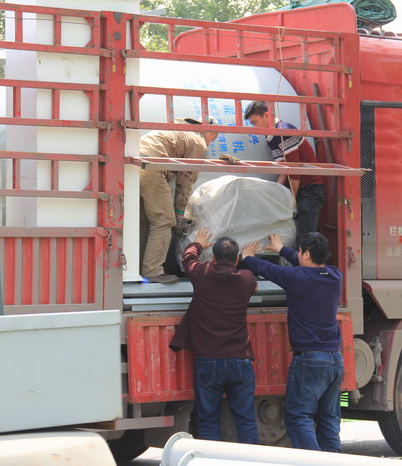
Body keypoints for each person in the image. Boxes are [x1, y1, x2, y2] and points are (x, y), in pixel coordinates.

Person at [241, 232, 343, 452]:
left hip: (310, 360)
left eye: (299, 252)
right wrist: (281, 249)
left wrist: (247, 257)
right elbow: (304, 263)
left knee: (299, 417)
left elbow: (268, 269)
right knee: (328, 420)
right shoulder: (335, 276)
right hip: (335, 359)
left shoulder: (298, 278)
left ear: (306, 253)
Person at [169, 227, 260, 444]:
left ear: (213, 257)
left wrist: (198, 242)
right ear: (237, 259)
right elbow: (253, 284)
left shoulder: (202, 274)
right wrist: (250, 258)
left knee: (208, 421)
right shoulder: (247, 280)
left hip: (208, 361)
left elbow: (187, 257)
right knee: (246, 420)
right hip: (240, 360)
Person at [139, 117, 219, 284]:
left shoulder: (178, 129)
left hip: (136, 165)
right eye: (214, 137)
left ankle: (140, 269)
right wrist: (179, 215)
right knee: (164, 222)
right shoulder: (198, 141)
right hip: (153, 166)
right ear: (209, 130)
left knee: (147, 223)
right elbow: (185, 181)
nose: (211, 142)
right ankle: (153, 271)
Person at [243, 101, 325, 240]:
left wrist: (291, 198)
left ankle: (306, 261)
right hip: (298, 188)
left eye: (255, 122)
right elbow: (284, 169)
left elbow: (294, 170)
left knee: (306, 237)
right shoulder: (271, 137)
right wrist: (278, 190)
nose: (255, 127)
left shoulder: (284, 131)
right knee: (298, 234)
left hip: (309, 189)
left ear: (267, 115)